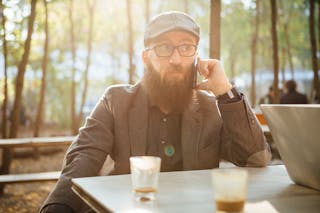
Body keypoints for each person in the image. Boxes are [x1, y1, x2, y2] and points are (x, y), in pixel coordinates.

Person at [40, 11, 271, 213]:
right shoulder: (116, 101)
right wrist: (58, 208)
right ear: (145, 57)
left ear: (196, 55)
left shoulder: (213, 107)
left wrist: (225, 91)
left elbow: (256, 158)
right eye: (164, 47)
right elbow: (84, 157)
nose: (175, 58)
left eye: (186, 47)